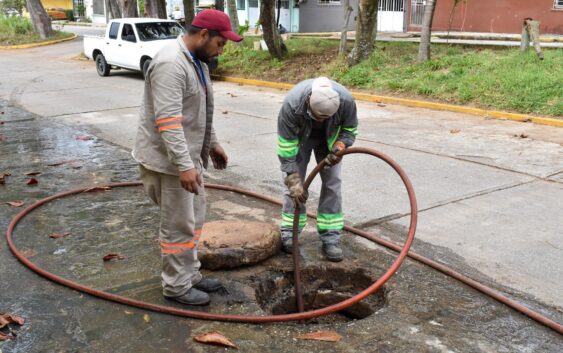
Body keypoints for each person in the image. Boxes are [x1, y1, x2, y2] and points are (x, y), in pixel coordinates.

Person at [132, 9, 242, 306]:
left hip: (188, 159)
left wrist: (213, 143)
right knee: (177, 226)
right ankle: (176, 286)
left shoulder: (198, 61)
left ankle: (190, 275)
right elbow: (168, 120)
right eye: (220, 43)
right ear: (204, 35)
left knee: (193, 220)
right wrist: (183, 166)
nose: (221, 50)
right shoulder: (171, 63)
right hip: (169, 165)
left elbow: (198, 110)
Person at [277, 77, 358, 262]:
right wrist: (292, 177)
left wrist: (340, 145)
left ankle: (331, 236)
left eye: (326, 117)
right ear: (308, 102)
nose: (322, 120)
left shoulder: (346, 101)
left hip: (329, 142)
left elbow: (350, 129)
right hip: (300, 140)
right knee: (294, 188)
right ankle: (290, 231)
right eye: (319, 116)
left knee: (332, 184)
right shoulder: (292, 104)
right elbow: (286, 146)